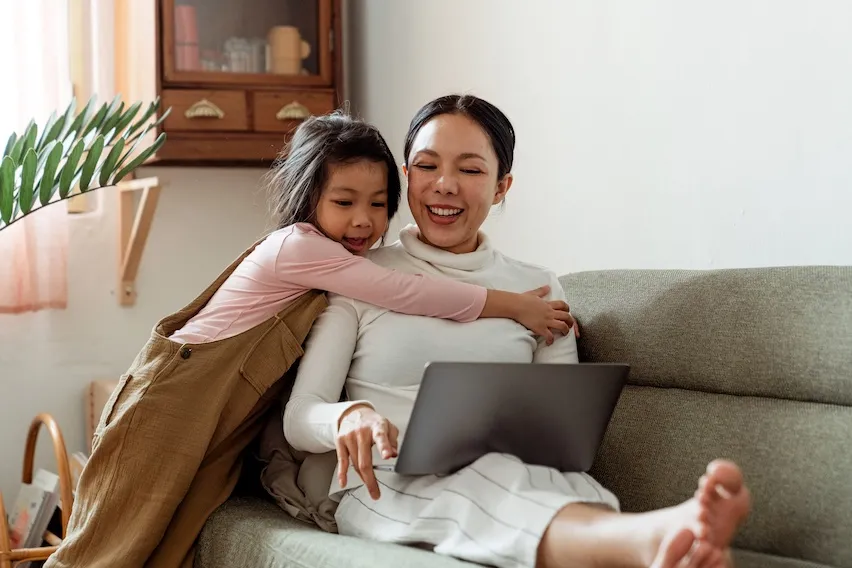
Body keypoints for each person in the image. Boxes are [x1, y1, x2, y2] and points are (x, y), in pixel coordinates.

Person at [45, 113, 577, 568]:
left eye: (376, 203)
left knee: (174, 538)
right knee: (110, 541)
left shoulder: (336, 261)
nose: (363, 221)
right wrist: (515, 306)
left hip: (230, 409)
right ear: (308, 197)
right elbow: (406, 290)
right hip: (178, 395)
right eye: (344, 202)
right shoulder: (299, 248)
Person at [283, 95, 752, 568]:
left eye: (469, 170)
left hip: (519, 475)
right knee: (488, 492)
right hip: (386, 483)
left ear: (502, 186)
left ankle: (666, 546)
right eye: (427, 166)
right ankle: (659, 538)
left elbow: (561, 439)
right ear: (407, 176)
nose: (444, 186)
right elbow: (300, 415)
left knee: (553, 489)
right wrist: (346, 419)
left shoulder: (538, 290)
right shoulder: (361, 277)